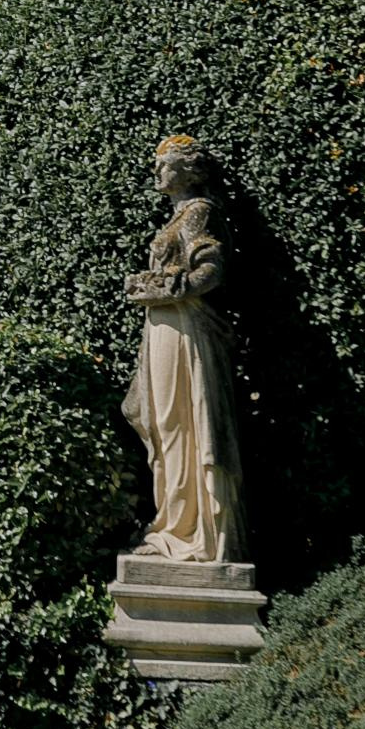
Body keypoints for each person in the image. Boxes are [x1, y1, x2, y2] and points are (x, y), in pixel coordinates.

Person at [122, 133, 248, 562]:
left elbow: (210, 272)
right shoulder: (181, 215)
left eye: (166, 163)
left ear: (189, 171)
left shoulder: (199, 212)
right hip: (166, 326)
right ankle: (174, 522)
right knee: (167, 424)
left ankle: (190, 530)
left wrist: (161, 288)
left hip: (183, 328)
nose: (158, 170)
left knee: (181, 424)